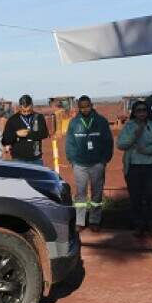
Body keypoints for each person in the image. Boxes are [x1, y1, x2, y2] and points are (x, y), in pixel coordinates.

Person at [118, 100, 152, 237]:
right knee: (136, 197)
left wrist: (148, 150)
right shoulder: (129, 127)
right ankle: (138, 225)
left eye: (144, 110)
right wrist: (135, 135)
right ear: (134, 113)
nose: (141, 113)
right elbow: (120, 144)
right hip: (133, 167)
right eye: (138, 110)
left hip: (151, 166)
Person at [65, 95, 115, 231]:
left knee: (96, 194)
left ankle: (95, 220)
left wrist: (104, 160)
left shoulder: (101, 121)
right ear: (78, 108)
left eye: (87, 106)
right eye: (82, 107)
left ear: (91, 105)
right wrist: (73, 160)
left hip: (97, 163)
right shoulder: (74, 123)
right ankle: (80, 221)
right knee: (80, 194)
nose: (85, 109)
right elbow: (69, 143)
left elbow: (108, 142)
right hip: (80, 165)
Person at [1, 95, 50, 164]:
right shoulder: (12, 120)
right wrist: (16, 134)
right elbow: (5, 140)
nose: (26, 113)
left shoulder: (39, 117)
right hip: (18, 159)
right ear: (19, 107)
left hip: (36, 159)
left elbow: (44, 134)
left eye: (28, 111)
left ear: (32, 106)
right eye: (24, 111)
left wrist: (28, 134)